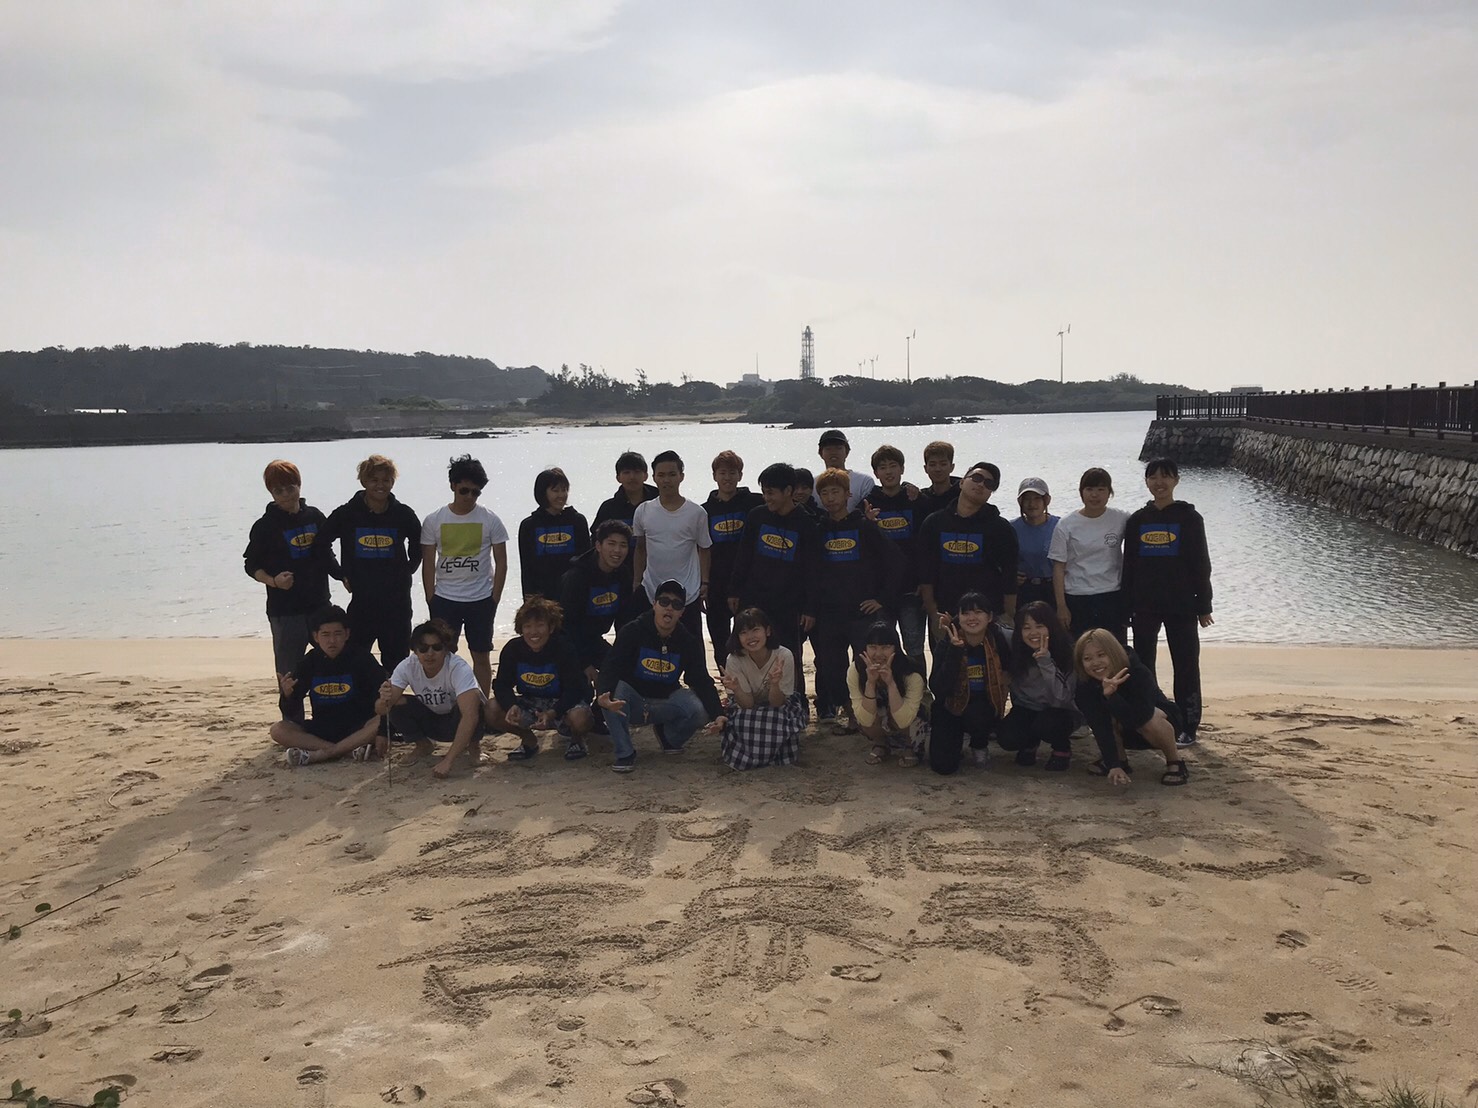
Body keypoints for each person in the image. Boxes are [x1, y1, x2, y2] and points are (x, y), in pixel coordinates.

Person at [1122, 458, 1214, 748]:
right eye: (1153, 477)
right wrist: (1126, 606)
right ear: (1146, 482)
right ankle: (1151, 718)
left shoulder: (1190, 518)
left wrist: (1204, 605)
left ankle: (1188, 726)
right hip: (1144, 605)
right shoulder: (1137, 520)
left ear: (1176, 480)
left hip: (1181, 605)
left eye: (1165, 476)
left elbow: (1201, 563)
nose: (1159, 482)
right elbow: (1129, 566)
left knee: (1186, 664)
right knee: (1143, 664)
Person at [595, 580, 726, 772]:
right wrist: (603, 694)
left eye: (676, 605)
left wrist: (718, 714)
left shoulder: (687, 641)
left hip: (665, 701)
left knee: (699, 710)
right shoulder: (633, 631)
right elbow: (610, 667)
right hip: (632, 700)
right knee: (611, 695)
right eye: (664, 602)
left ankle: (669, 738)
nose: (669, 608)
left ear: (682, 612)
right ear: (654, 604)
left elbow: (701, 680)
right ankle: (625, 753)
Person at [813, 467, 904, 727]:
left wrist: (882, 599)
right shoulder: (818, 529)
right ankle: (850, 713)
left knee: (865, 666)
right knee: (831, 667)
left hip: (862, 612)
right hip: (830, 612)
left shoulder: (865, 527)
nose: (830, 498)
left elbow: (896, 562)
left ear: (847, 494)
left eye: (835, 492)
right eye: (825, 493)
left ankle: (871, 714)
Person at [244, 459, 342, 696]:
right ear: (271, 493)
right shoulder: (264, 526)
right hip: (286, 612)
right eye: (279, 491)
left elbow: (326, 553)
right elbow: (251, 565)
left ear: (299, 486)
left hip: (319, 606)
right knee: (289, 677)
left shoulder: (315, 517)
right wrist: (274, 581)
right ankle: (291, 715)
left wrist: (343, 576)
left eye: (290, 488)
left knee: (333, 667)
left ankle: (330, 713)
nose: (286, 495)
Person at [317, 454, 421, 669]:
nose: (380, 485)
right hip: (362, 601)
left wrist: (407, 569)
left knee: (397, 663)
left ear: (392, 482)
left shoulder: (403, 513)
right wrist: (339, 573)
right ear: (364, 481)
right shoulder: (346, 514)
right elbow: (320, 544)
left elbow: (419, 544)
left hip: (397, 602)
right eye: (374, 480)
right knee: (355, 660)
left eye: (386, 480)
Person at [727, 462, 821, 691]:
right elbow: (743, 556)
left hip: (789, 603)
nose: (766, 498)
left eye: (771, 493)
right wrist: (734, 591)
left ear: (788, 491)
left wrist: (810, 608)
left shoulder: (807, 523)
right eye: (764, 492)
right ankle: (745, 698)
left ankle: (795, 700)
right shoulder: (757, 516)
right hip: (754, 597)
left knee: (788, 654)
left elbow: (813, 570)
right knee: (745, 648)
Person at [420, 454, 508, 696]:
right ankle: (449, 702)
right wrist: (430, 597)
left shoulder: (490, 519)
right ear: (453, 486)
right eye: (464, 491)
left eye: (476, 492)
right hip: (445, 598)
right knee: (443, 654)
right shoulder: (434, 520)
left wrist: (495, 597)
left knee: (481, 654)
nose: (469, 497)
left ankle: (481, 703)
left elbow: (502, 562)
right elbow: (428, 563)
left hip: (480, 599)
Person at [270, 605, 385, 766]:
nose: (332, 641)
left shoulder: (362, 659)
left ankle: (324, 754)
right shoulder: (309, 661)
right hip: (322, 728)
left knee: (381, 721)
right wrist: (288, 695)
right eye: (325, 635)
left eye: (337, 634)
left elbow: (382, 697)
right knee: (278, 730)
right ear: (316, 637)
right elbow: (291, 711)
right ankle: (344, 751)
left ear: (347, 634)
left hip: (357, 727)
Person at [1073, 628, 1188, 787]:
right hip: (1125, 730)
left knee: (1151, 718)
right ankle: (1120, 760)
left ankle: (1175, 761)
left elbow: (1140, 717)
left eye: (1101, 655)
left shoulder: (1137, 671)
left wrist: (1112, 697)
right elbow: (1099, 725)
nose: (1096, 662)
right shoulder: (1084, 684)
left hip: (1157, 724)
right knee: (1104, 716)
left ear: (1113, 653)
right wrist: (1113, 764)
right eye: (1087, 658)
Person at [917, 461, 1019, 634]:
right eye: (976, 478)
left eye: (989, 483)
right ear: (962, 482)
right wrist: (933, 613)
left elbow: (1010, 576)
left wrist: (1008, 615)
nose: (981, 485)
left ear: (991, 493)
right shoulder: (934, 523)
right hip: (945, 613)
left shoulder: (1001, 528)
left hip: (987, 615)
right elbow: (926, 572)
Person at [378, 618, 487, 779]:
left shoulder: (458, 667)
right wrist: (384, 698)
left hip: (457, 720)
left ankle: (474, 747)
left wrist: (448, 761)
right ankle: (423, 745)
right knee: (398, 702)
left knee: (473, 702)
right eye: (423, 648)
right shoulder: (407, 666)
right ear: (415, 651)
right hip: (430, 719)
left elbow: (470, 716)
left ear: (446, 649)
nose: (429, 654)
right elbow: (382, 709)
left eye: (436, 647)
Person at [488, 596, 593, 761]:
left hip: (562, 704)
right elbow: (502, 685)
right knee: (491, 708)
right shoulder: (513, 649)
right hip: (531, 702)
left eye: (540, 625)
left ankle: (577, 740)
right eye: (527, 626)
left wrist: (553, 712)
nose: (533, 632)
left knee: (580, 717)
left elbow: (575, 689)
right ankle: (528, 740)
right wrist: (511, 705)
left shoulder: (563, 648)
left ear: (551, 628)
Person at [926, 593, 1010, 775]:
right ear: (958, 617)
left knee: (981, 713)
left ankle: (979, 743)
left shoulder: (997, 640)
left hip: (982, 707)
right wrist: (955, 653)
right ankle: (954, 742)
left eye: (978, 612)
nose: (972, 618)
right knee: (943, 766)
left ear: (989, 617)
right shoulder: (948, 642)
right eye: (965, 613)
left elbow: (1009, 675)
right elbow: (938, 688)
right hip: (950, 707)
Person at [632, 450, 711, 642]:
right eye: (661, 475)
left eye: (672, 474)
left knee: (691, 646)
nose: (666, 480)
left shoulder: (697, 513)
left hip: (688, 591)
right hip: (651, 589)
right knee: (649, 644)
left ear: (681, 476)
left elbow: (705, 549)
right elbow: (640, 548)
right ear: (654, 478)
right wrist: (636, 580)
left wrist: (705, 582)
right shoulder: (643, 510)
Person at [718, 607, 807, 770]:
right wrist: (736, 689)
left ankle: (768, 756)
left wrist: (775, 684)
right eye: (743, 632)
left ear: (768, 631)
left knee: (777, 718)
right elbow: (747, 705)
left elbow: (777, 703)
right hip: (748, 707)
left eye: (755, 630)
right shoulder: (734, 659)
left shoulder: (784, 655)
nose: (750, 637)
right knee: (742, 720)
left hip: (778, 704)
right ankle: (754, 757)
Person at [1050, 467, 1129, 642]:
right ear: (1081, 492)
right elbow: (1058, 567)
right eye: (1089, 489)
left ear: (1109, 492)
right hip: (1077, 596)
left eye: (1101, 489)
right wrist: (1061, 606)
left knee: (1114, 649)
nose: (1095, 495)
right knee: (1080, 649)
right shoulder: (1066, 524)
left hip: (1111, 595)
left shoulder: (1121, 519)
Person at [702, 450, 765, 669]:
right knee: (720, 640)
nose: (727, 478)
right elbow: (701, 550)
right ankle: (727, 680)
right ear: (714, 476)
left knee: (750, 636)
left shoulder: (755, 504)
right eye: (722, 473)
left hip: (748, 582)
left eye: (732, 473)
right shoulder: (705, 511)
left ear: (740, 475)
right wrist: (703, 584)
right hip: (716, 583)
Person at [998, 600, 1077, 771]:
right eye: (1026, 628)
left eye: (1040, 626)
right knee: (1007, 737)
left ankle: (1062, 748)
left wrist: (1045, 662)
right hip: (1027, 707)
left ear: (1051, 627)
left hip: (1060, 710)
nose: (1033, 633)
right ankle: (1030, 743)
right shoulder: (1016, 646)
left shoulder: (1067, 651)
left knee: (1048, 724)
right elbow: (991, 627)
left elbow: (1062, 698)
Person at [866, 445, 928, 662]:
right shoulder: (869, 502)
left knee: (914, 646)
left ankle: (919, 684)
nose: (888, 471)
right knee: (883, 646)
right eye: (882, 467)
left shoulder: (915, 499)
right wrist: (867, 523)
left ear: (902, 469)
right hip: (881, 591)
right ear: (876, 473)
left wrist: (924, 581)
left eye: (893, 466)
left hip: (911, 589)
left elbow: (926, 545)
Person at [558, 520, 637, 686]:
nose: (617, 550)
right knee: (583, 686)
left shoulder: (623, 575)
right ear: (598, 546)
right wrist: (585, 664)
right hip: (565, 642)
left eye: (623, 545)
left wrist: (624, 653)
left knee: (626, 673)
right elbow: (566, 626)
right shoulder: (577, 577)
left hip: (594, 640)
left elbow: (624, 621)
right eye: (611, 544)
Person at [849, 622, 928, 768]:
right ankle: (880, 743)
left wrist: (891, 684)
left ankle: (910, 746)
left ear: (895, 648)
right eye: (873, 647)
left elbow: (904, 720)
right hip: (881, 718)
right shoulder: (856, 670)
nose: (878, 654)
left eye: (885, 647)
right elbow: (864, 719)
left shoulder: (911, 673)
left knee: (913, 714)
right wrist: (870, 683)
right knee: (865, 711)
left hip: (908, 721)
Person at [517, 467, 590, 603]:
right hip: (543, 599)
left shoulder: (577, 521)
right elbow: (527, 569)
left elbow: (586, 562)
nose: (561, 495)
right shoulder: (529, 526)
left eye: (564, 490)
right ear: (542, 492)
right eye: (555, 490)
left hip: (574, 596)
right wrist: (529, 602)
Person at [1011, 477, 1059, 613]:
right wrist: (1011, 576)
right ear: (1020, 501)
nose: (1032, 504)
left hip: (1052, 589)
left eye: (1037, 498)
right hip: (1023, 590)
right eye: (1027, 499)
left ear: (1046, 500)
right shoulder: (1010, 528)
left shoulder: (1060, 526)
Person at [813, 430, 876, 511]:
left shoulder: (864, 482)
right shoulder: (813, 484)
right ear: (820, 453)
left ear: (847, 452)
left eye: (838, 448)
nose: (833, 452)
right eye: (828, 449)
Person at [918, 440, 961, 517]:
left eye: (943, 464)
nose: (938, 469)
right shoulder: (922, 498)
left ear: (952, 467)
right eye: (932, 465)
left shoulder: (963, 495)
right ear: (925, 468)